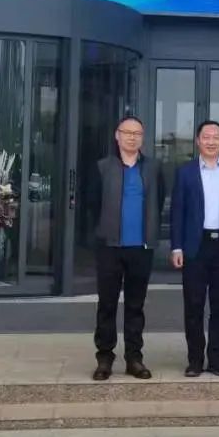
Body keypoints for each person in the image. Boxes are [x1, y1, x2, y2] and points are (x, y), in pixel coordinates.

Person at [170, 120, 219, 377]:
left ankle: (216, 359)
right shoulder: (186, 172)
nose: (211, 141)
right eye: (206, 137)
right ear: (198, 141)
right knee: (193, 305)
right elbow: (177, 211)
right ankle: (194, 360)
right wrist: (176, 247)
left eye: (216, 137)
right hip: (195, 247)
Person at [89, 115, 160, 381]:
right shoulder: (102, 167)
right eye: (127, 132)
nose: (132, 137)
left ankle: (134, 358)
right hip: (110, 247)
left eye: (137, 133)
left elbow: (158, 198)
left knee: (135, 305)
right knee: (107, 304)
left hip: (141, 247)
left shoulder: (152, 168)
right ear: (117, 136)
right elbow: (91, 204)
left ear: (142, 138)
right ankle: (104, 357)